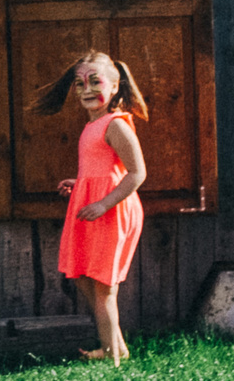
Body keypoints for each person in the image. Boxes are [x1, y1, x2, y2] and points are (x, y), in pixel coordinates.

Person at [32, 50, 148, 365]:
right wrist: (81, 182)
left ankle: (111, 356)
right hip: (92, 204)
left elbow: (137, 174)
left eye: (95, 82)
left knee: (103, 288)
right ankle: (117, 347)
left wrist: (103, 203)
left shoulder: (116, 124)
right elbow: (106, 169)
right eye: (80, 84)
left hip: (112, 210)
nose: (87, 90)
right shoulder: (93, 126)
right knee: (84, 276)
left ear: (114, 86)